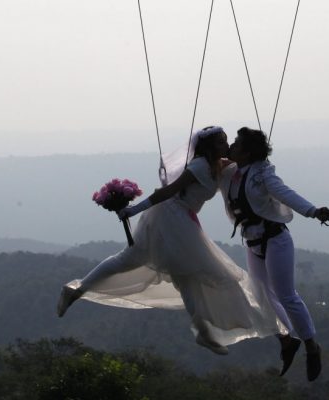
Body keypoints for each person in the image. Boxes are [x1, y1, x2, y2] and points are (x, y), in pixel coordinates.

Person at [56, 126, 281, 355]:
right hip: (171, 217)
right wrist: (133, 210)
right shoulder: (199, 167)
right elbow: (166, 191)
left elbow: (249, 166)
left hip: (184, 219)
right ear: (211, 146)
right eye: (223, 142)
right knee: (139, 260)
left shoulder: (219, 165)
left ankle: (204, 332)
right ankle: (76, 290)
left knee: (184, 275)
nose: (228, 145)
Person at [219, 127, 329, 381]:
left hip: (275, 239)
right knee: (262, 296)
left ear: (248, 152)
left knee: (286, 295)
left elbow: (285, 194)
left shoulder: (262, 175)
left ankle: (311, 346)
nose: (232, 147)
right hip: (252, 242)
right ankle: (286, 339)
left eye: (237, 144)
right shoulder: (232, 172)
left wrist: (314, 211)